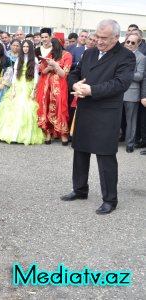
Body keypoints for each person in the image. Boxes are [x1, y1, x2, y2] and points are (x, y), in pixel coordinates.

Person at [62, 19, 136, 215]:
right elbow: (74, 74)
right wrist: (75, 85)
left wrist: (91, 90)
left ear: (115, 37)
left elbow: (120, 83)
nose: (100, 41)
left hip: (106, 112)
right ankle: (79, 189)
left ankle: (110, 199)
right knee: (80, 152)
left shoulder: (126, 56)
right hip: (85, 109)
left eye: (104, 38)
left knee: (105, 157)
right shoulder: (90, 52)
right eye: (98, 37)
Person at [0, 40, 44, 145]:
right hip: (18, 84)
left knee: (26, 107)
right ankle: (9, 134)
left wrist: (33, 91)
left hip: (29, 84)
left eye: (28, 47)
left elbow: (36, 76)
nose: (25, 48)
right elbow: (14, 75)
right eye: (24, 47)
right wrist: (13, 90)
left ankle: (23, 135)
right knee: (12, 107)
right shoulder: (19, 58)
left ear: (31, 48)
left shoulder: (35, 60)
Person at [36, 37, 72, 145]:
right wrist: (49, 68)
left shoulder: (67, 55)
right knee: (46, 106)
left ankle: (63, 134)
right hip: (47, 86)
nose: (49, 47)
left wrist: (55, 65)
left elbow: (63, 74)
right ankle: (48, 132)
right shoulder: (50, 55)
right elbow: (43, 71)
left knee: (60, 107)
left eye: (51, 45)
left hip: (59, 86)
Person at [122, 32, 146, 153]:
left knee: (131, 120)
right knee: (113, 118)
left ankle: (130, 144)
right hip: (116, 91)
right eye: (128, 42)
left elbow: (140, 76)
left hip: (131, 93)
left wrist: (125, 74)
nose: (130, 44)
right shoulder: (119, 54)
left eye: (133, 43)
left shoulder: (141, 57)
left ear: (138, 43)